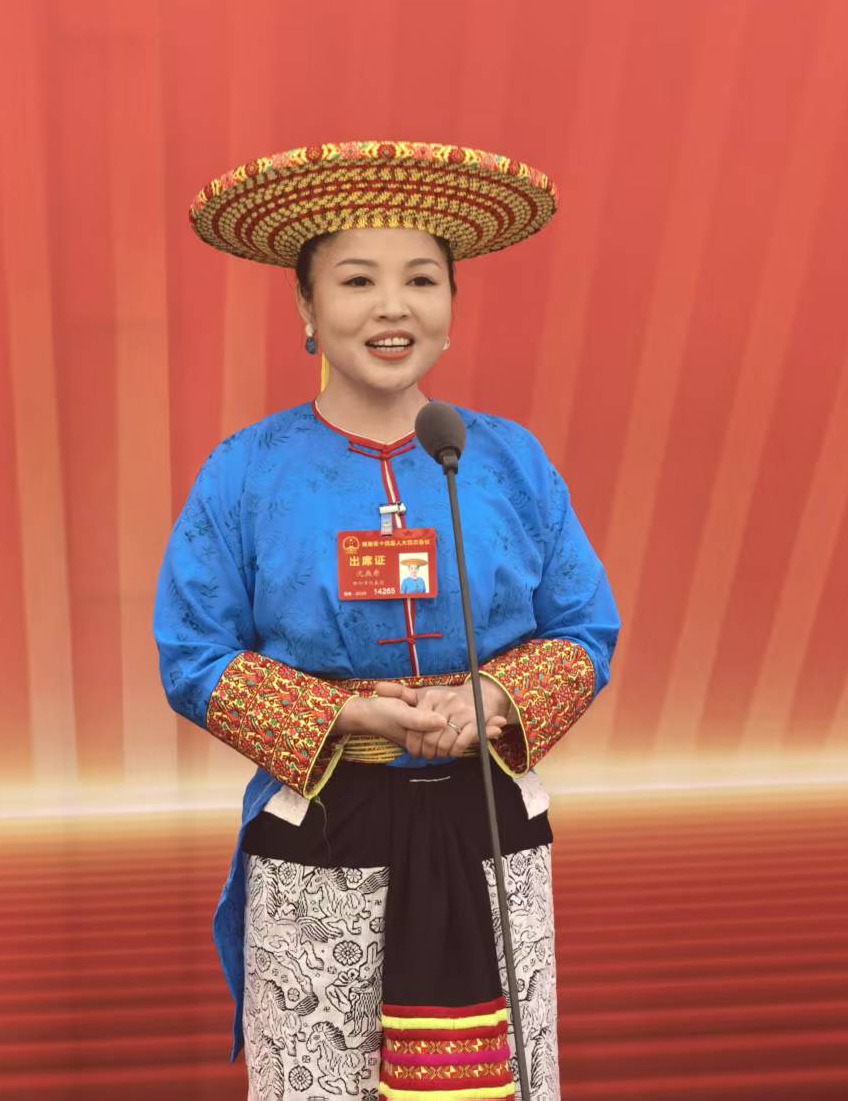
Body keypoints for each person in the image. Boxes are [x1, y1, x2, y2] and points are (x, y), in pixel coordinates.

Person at [156, 141, 621, 1101]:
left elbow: (585, 628)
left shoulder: (506, 460)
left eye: (420, 279)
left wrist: (492, 696)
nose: (392, 307)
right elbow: (193, 654)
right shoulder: (246, 471)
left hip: (487, 820)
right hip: (324, 821)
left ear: (452, 303)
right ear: (306, 308)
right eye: (357, 280)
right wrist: (349, 712)